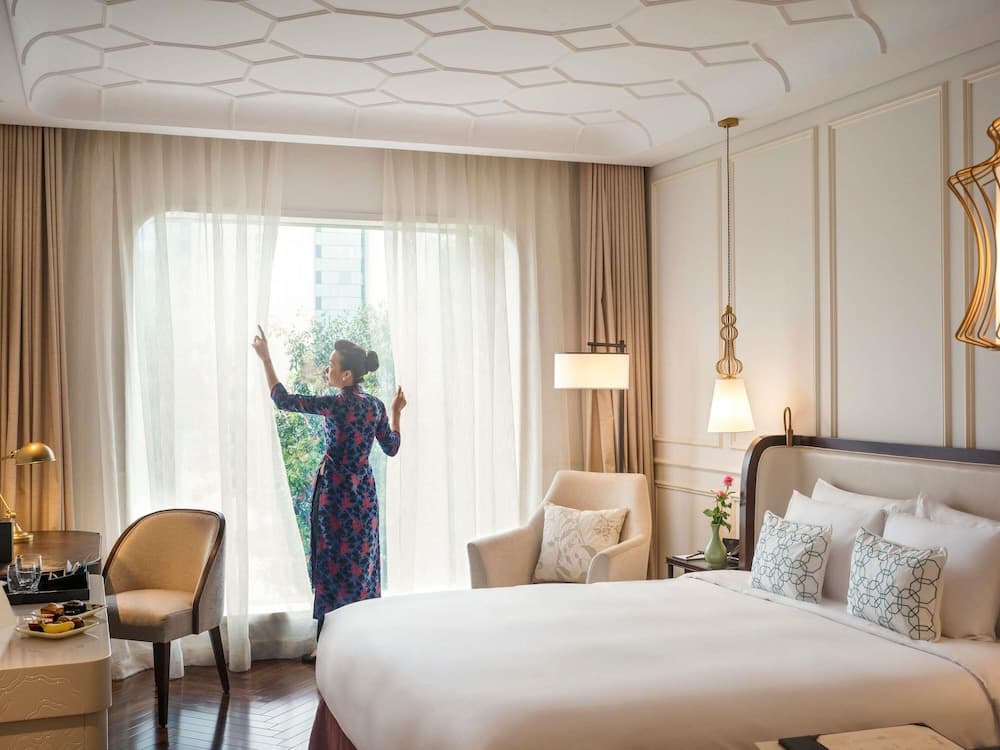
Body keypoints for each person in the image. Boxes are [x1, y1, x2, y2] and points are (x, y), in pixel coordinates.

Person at [251, 326, 406, 663]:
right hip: (363, 495)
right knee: (361, 565)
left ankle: (325, 645)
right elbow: (392, 447)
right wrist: (396, 411)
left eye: (333, 364)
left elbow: (282, 399)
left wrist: (265, 359)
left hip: (336, 494)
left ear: (347, 375)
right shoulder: (375, 406)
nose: (327, 367)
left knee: (331, 566)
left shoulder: (335, 405)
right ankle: (362, 642)